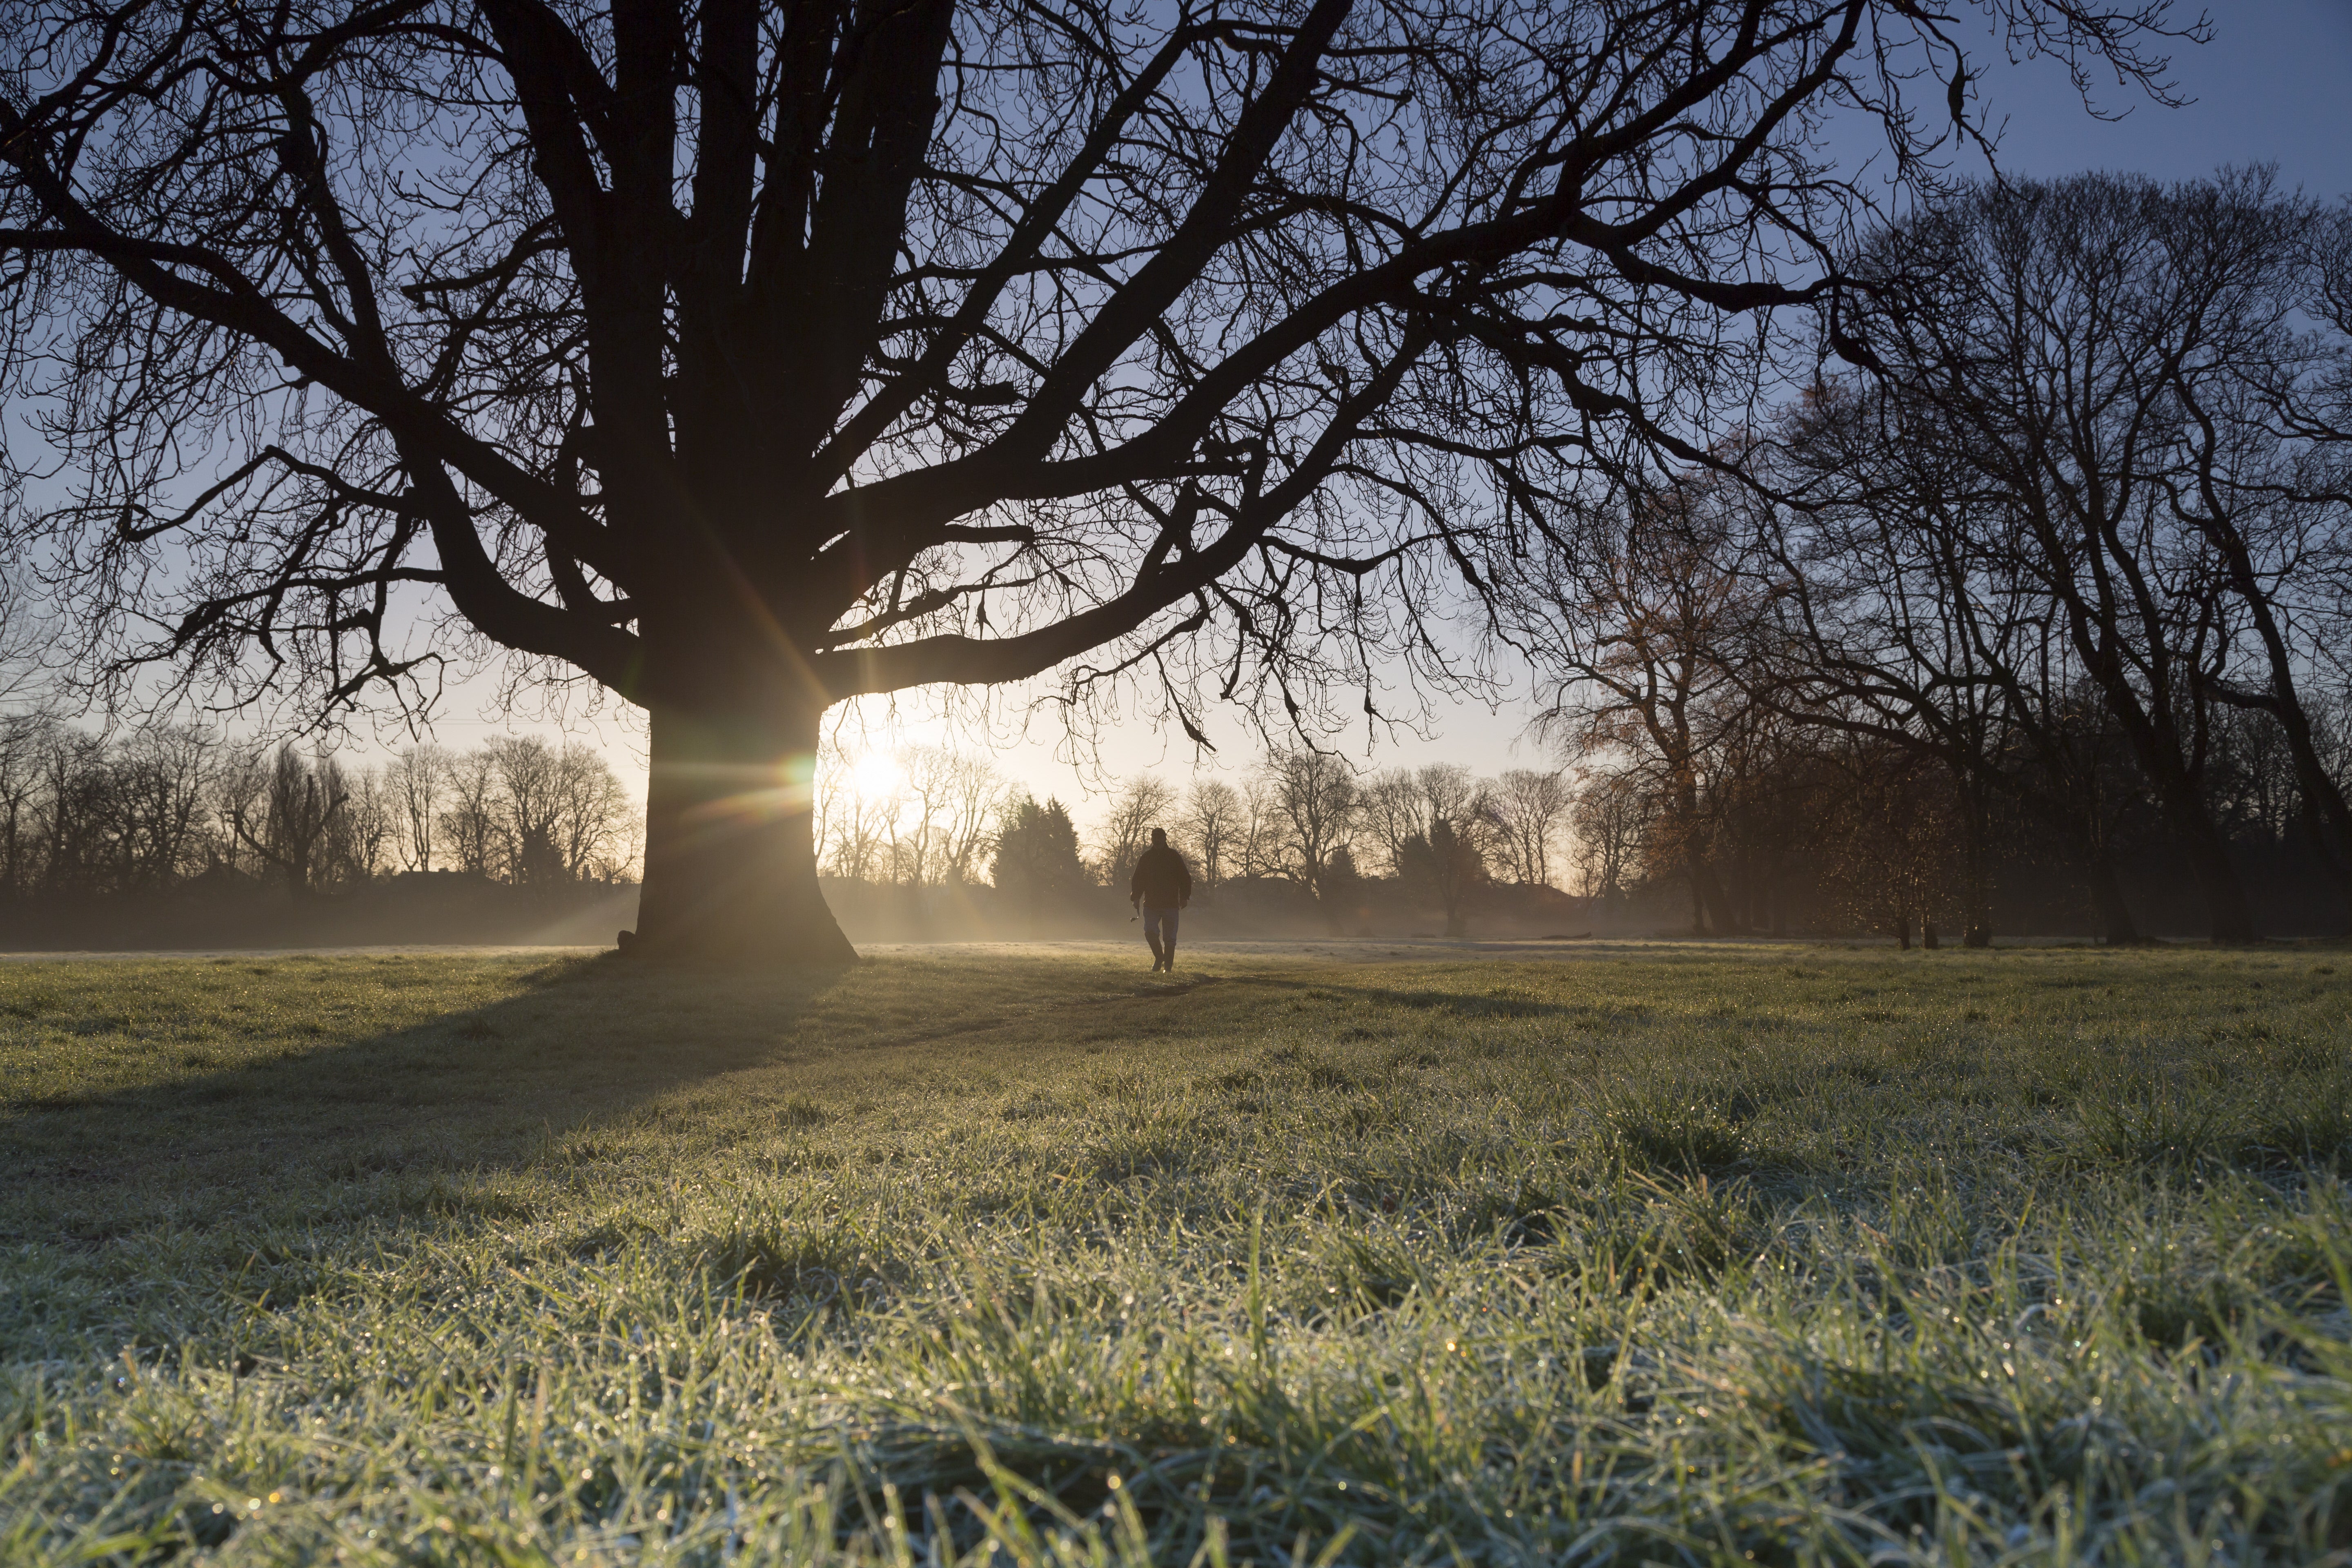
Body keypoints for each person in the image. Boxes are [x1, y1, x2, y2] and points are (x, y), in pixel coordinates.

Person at [1129, 827, 1192, 972]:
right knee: (1150, 932)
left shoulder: (1174, 856)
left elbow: (1184, 877)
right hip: (1151, 904)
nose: (1157, 840)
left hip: (1171, 904)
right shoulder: (1146, 858)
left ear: (1165, 839)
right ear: (1152, 839)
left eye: (1159, 837)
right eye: (1154, 838)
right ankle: (1159, 957)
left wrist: (1184, 897)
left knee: (1170, 939)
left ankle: (1167, 970)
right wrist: (1136, 897)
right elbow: (1138, 879)